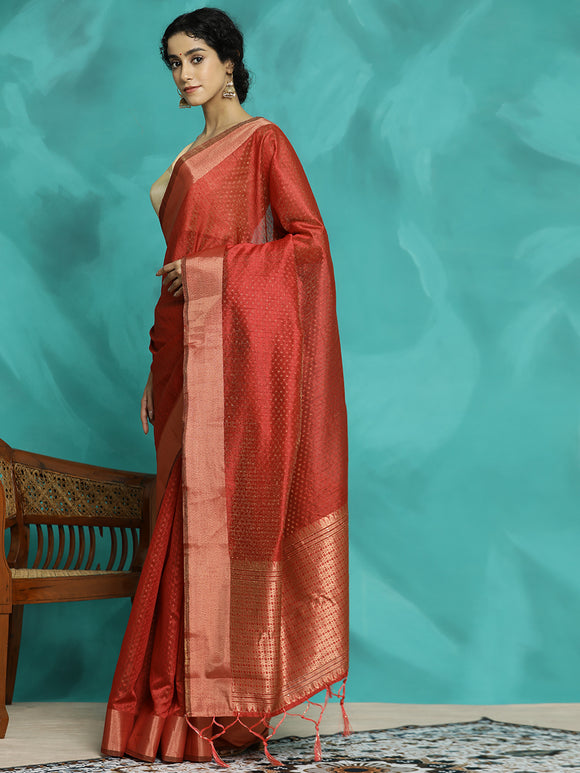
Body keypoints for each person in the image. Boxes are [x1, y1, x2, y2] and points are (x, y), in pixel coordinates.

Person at [101, 6, 349, 765]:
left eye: (197, 58)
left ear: (231, 64)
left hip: (233, 359)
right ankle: (176, 698)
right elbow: (167, 280)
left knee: (220, 519)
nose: (184, 73)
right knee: (181, 522)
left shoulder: (262, 140)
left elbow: (309, 244)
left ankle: (219, 706)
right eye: (174, 62)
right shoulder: (182, 158)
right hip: (178, 357)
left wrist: (211, 273)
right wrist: (153, 368)